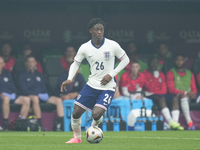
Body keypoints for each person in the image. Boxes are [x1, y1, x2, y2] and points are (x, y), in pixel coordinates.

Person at [60, 18, 129, 143]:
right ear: (90, 30)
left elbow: (125, 60)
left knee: (96, 114)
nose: (99, 32)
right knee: (76, 112)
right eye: (96, 29)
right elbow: (75, 63)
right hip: (91, 85)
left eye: (101, 29)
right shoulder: (85, 47)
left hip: (108, 86)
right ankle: (77, 138)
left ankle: (94, 127)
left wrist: (111, 74)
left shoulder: (112, 45)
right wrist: (69, 78)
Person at [18, 55, 64, 130]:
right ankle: (39, 123)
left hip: (42, 96)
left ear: (35, 63)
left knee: (58, 100)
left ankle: (61, 124)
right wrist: (37, 94)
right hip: (30, 96)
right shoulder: (22, 75)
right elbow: (24, 90)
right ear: (26, 63)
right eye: (29, 62)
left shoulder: (39, 74)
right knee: (35, 98)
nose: (30, 64)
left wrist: (45, 94)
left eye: (32, 62)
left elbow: (44, 88)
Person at [143, 57, 183, 130]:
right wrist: (155, 78)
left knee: (174, 98)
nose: (154, 64)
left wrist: (156, 91)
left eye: (156, 63)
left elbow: (164, 89)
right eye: (152, 62)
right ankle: (170, 121)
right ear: (149, 63)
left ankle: (175, 122)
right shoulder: (144, 74)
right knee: (162, 99)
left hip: (160, 94)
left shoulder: (161, 74)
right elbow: (149, 88)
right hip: (150, 96)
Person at [166, 54, 197, 130]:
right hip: (176, 96)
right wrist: (185, 93)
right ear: (174, 61)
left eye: (181, 60)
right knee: (184, 97)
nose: (179, 62)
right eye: (177, 60)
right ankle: (189, 122)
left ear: (184, 61)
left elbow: (194, 88)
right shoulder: (170, 73)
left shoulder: (190, 73)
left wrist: (194, 93)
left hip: (190, 96)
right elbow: (171, 89)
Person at [0, 56, 30, 130]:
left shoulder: (7, 73)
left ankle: (21, 123)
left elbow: (13, 86)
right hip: (2, 96)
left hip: (10, 95)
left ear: (4, 64)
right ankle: (6, 123)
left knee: (27, 99)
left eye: (0, 63)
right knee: (6, 98)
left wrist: (13, 93)